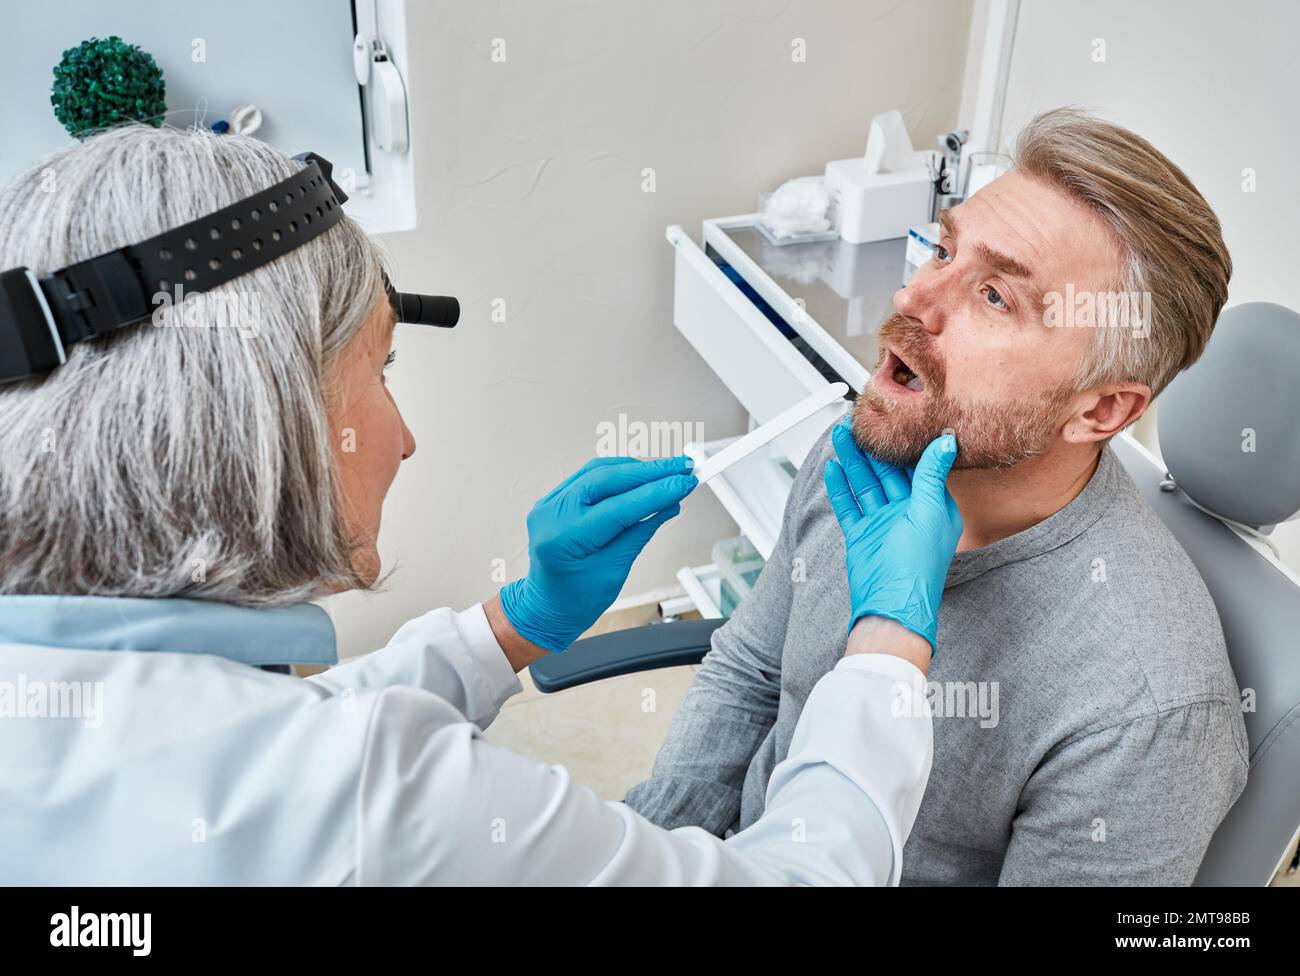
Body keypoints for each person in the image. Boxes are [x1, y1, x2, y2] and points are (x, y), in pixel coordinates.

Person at [0, 123, 961, 885]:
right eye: (381, 370)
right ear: (261, 418)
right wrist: (885, 649)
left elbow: (240, 748)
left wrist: (518, 622)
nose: (406, 436)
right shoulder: (371, 801)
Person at [626, 108, 1249, 885]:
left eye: (994, 297)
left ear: (1102, 410)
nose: (913, 298)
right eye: (944, 250)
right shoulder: (869, 453)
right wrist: (650, 852)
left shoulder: (1145, 712)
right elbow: (751, 674)